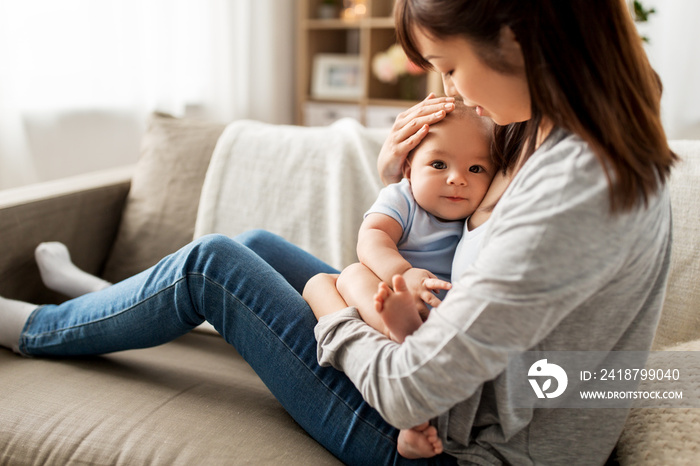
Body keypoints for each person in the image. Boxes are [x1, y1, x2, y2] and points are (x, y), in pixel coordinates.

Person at [0, 1, 677, 464]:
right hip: (450, 377)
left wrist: (334, 294)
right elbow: (457, 233)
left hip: (446, 445)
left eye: (447, 61)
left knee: (213, 267)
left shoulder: (577, 190)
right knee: (260, 248)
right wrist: (398, 173)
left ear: (519, 38)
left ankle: (36, 329)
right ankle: (109, 299)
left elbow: (410, 390)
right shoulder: (554, 132)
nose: (452, 88)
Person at [319, 101, 496, 343]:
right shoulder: (403, 198)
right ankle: (392, 327)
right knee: (348, 275)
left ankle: (397, 334)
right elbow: (373, 236)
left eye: (476, 168)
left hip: (445, 313)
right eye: (439, 165)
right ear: (409, 171)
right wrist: (402, 273)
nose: (457, 179)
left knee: (337, 279)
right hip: (393, 294)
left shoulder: (480, 213)